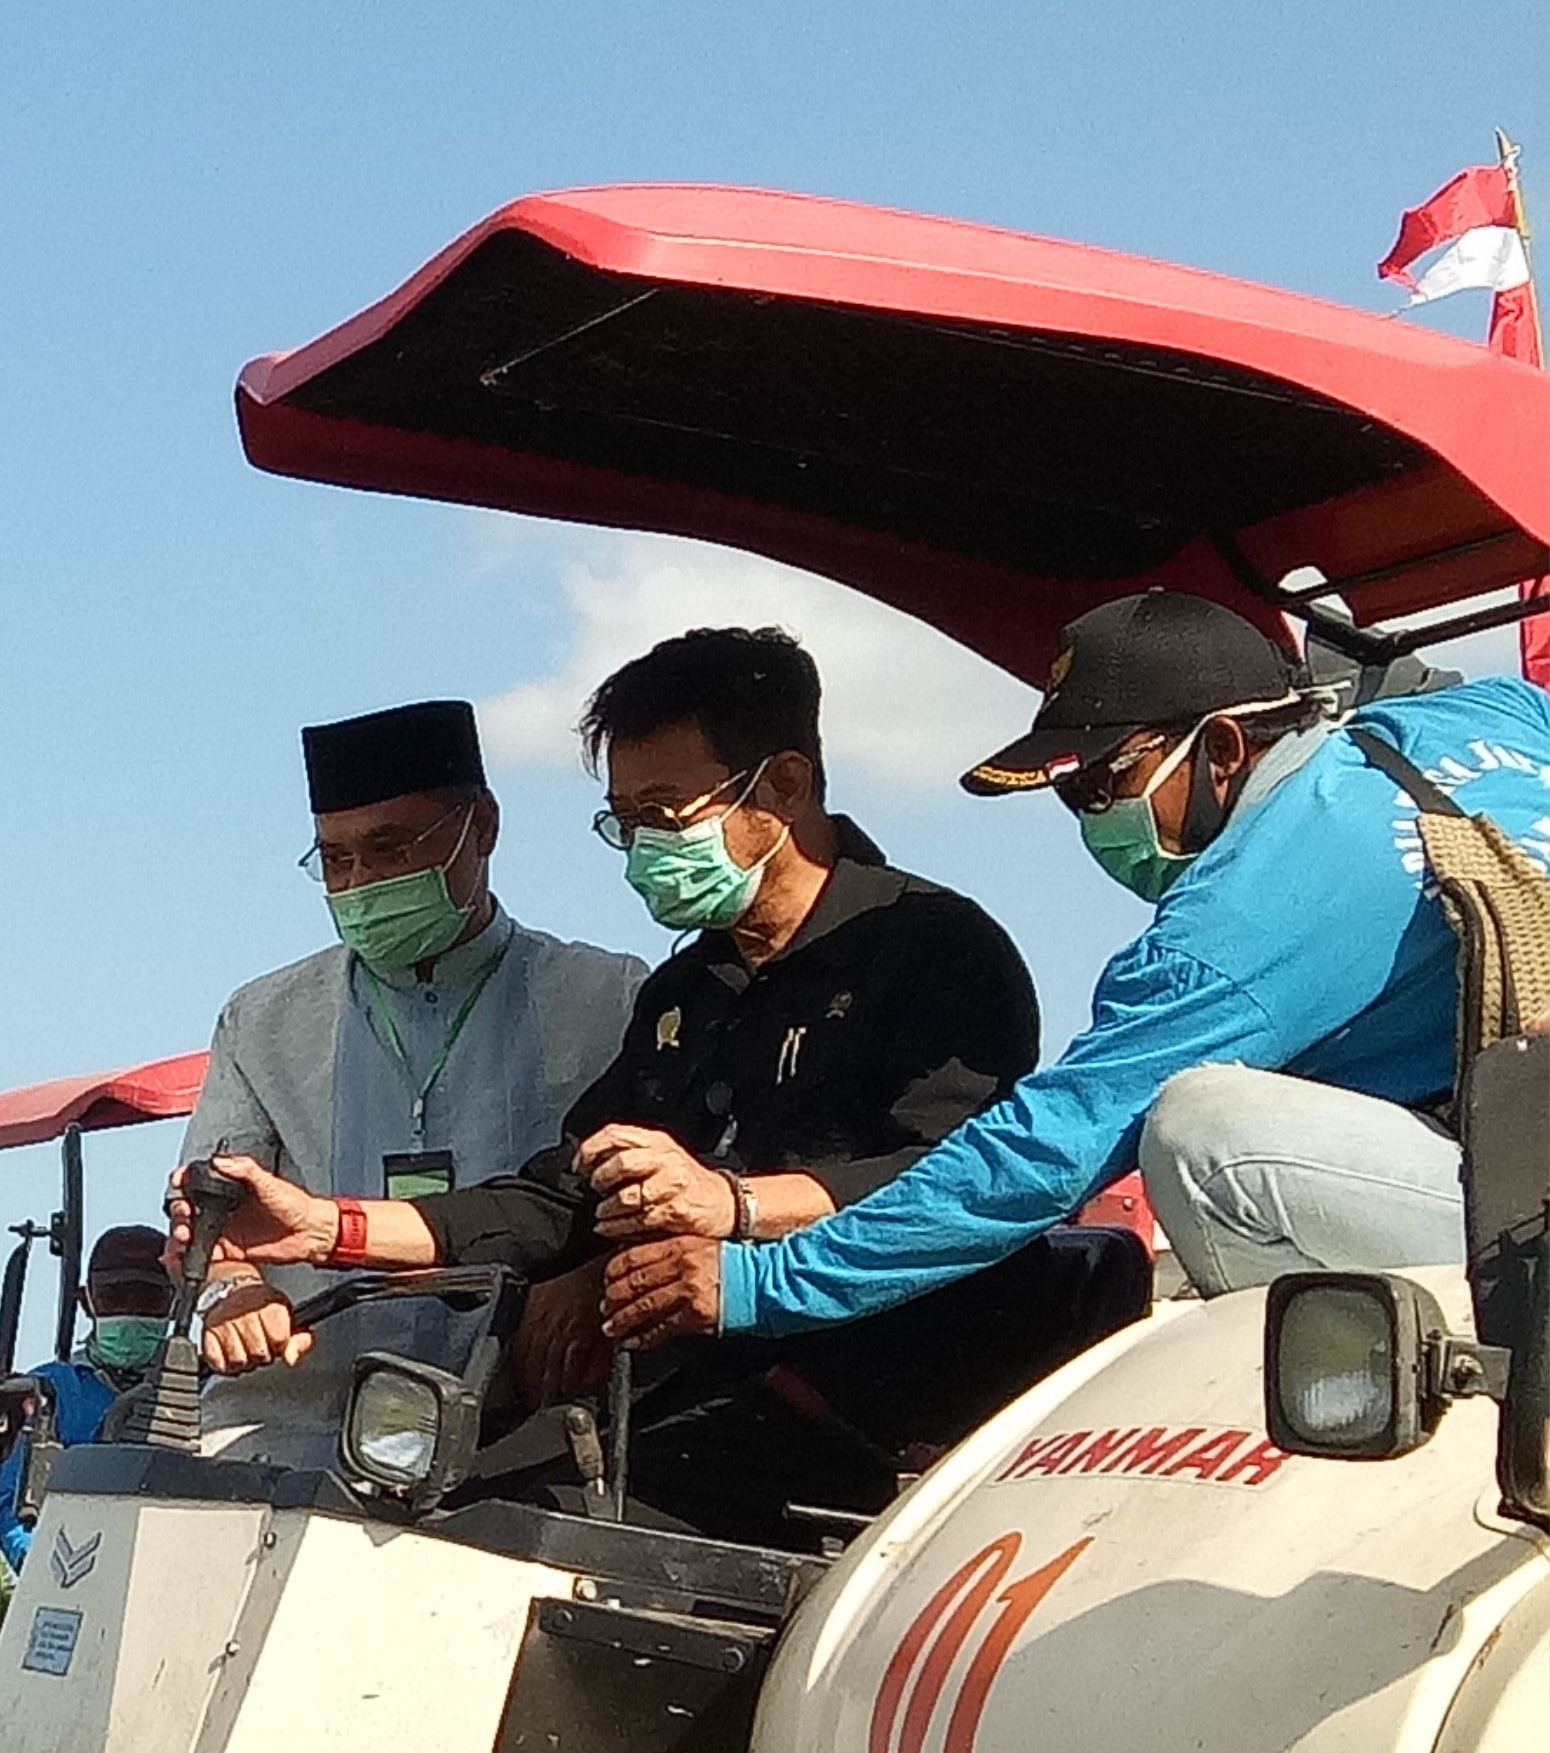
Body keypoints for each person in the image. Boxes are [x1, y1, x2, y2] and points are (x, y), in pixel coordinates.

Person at [197, 627, 1119, 1537]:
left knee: (517, 1540)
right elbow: (563, 1194)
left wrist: (738, 1208)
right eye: (624, 821)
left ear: (783, 787)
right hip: (680, 1396)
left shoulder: (937, 950)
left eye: (665, 814)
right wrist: (329, 1227)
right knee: (424, 1523)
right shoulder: (686, 989)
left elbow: (969, 1181)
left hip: (875, 1411)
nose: (641, 850)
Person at [600, 592, 1550, 1353]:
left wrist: (763, 1283)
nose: (1090, 820)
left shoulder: (1234, 921)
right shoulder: (1481, 716)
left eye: (1101, 785)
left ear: (1223, 746)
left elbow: (1044, 1154)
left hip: (1530, 1230)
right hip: (1508, 1164)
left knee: (1201, 1127)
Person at [178, 698, 643, 1454]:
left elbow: (647, 1200)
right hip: (294, 1432)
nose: (361, 883)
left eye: (390, 850)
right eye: (336, 860)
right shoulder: (263, 1019)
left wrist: (589, 1275)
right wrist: (235, 1290)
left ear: (481, 827)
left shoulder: (606, 999)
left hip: (527, 1438)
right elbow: (210, 1217)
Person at [0, 1225, 174, 1563]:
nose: (131, 1312)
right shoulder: (47, 1391)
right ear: (86, 1302)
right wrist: (50, 1574)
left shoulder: (211, 1390)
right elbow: (14, 1517)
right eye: (114, 1298)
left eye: (150, 1298)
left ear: (176, 1303)